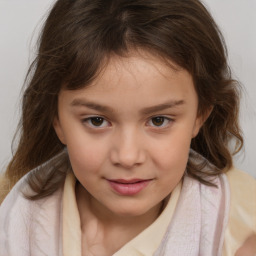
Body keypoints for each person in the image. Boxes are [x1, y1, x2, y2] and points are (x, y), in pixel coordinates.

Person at [0, 0, 255, 255]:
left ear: (200, 116)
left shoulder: (241, 227)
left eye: (158, 120)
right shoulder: (10, 213)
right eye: (96, 121)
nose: (127, 156)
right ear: (56, 119)